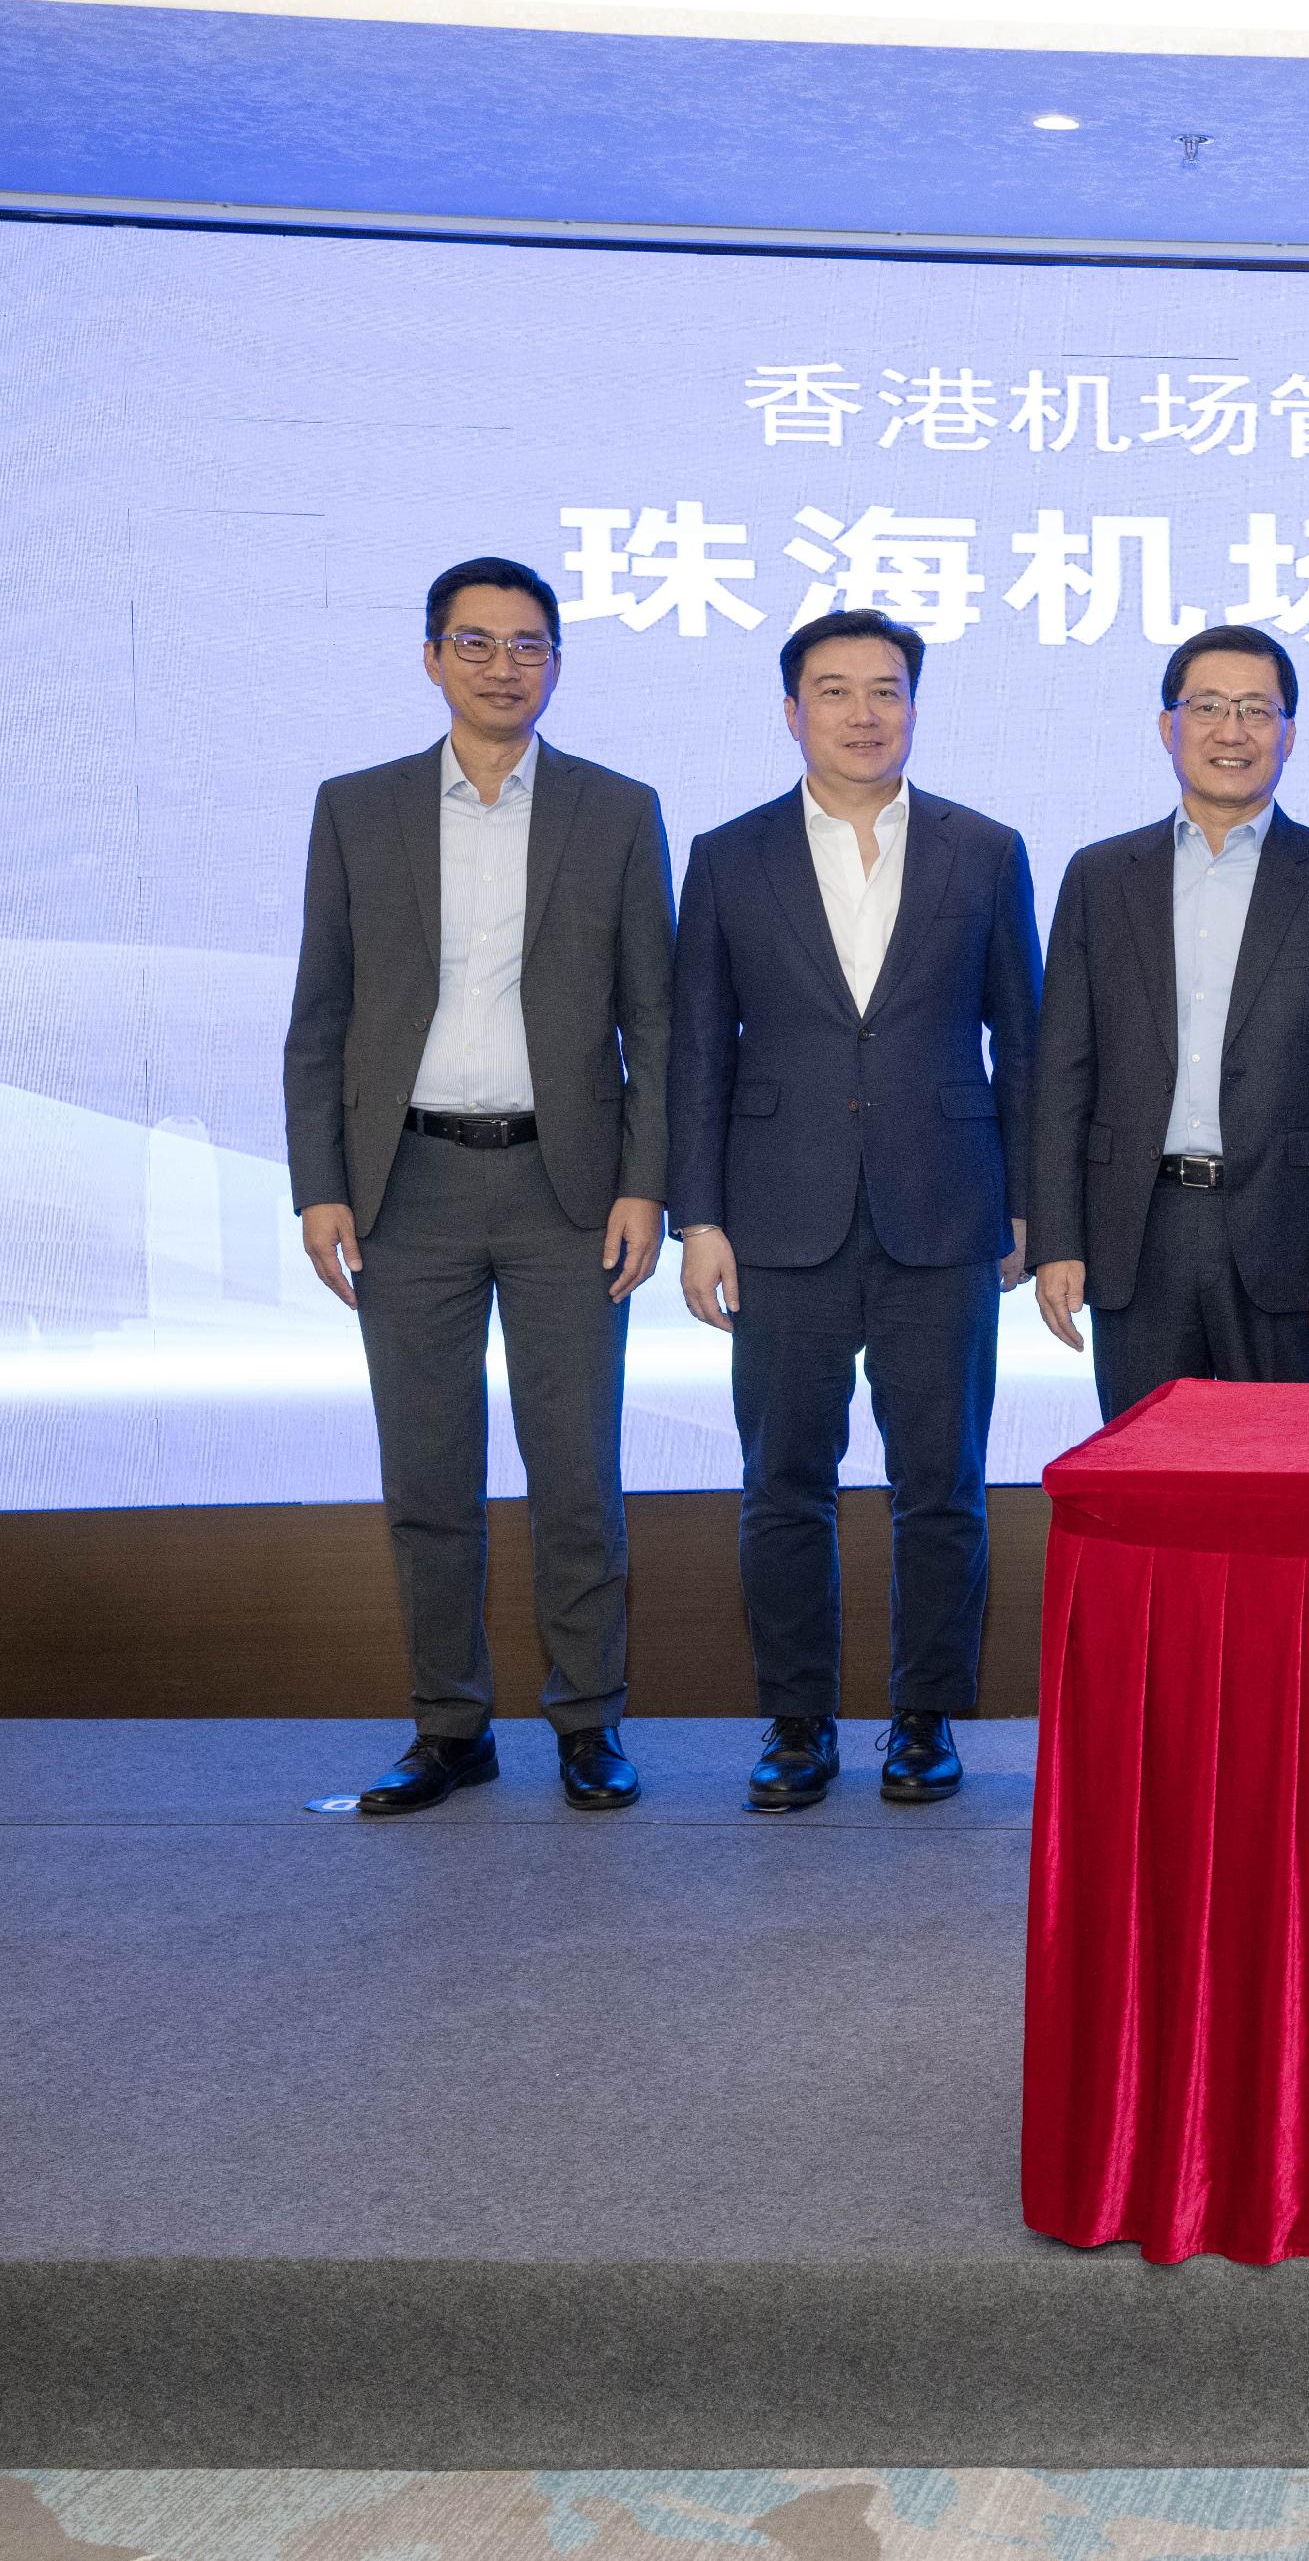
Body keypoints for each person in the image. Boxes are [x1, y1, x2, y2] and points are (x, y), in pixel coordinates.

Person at [282, 557, 671, 1816]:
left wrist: (644, 1184)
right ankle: (450, 1726)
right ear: (433, 656)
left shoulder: (617, 811)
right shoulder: (358, 807)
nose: (504, 665)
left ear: (557, 661)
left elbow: (654, 1024)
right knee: (429, 1480)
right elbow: (320, 1013)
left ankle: (586, 1723)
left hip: (569, 1190)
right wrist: (319, 1184)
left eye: (528, 644)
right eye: (478, 643)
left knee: (577, 1480)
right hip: (410, 1186)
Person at [669, 609, 1041, 1814]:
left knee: (945, 1484)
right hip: (780, 1215)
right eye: (833, 692)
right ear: (792, 712)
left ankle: (925, 1719)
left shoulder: (986, 850)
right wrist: (700, 1216)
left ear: (915, 706)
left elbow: (1024, 1044)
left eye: (885, 690)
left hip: (945, 1207)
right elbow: (697, 1051)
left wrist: (1029, 1204)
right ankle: (797, 1722)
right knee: (785, 1481)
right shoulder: (728, 856)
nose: (862, 713)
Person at [1032, 626, 1309, 1421]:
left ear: (1289, 733)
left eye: (1256, 710)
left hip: (1289, 1239)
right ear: (1169, 727)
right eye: (1207, 707)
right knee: (1148, 1481)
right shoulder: (1100, 876)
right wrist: (1057, 1237)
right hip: (1136, 1231)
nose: (1231, 731)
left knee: (1287, 1486)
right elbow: (1062, 1070)